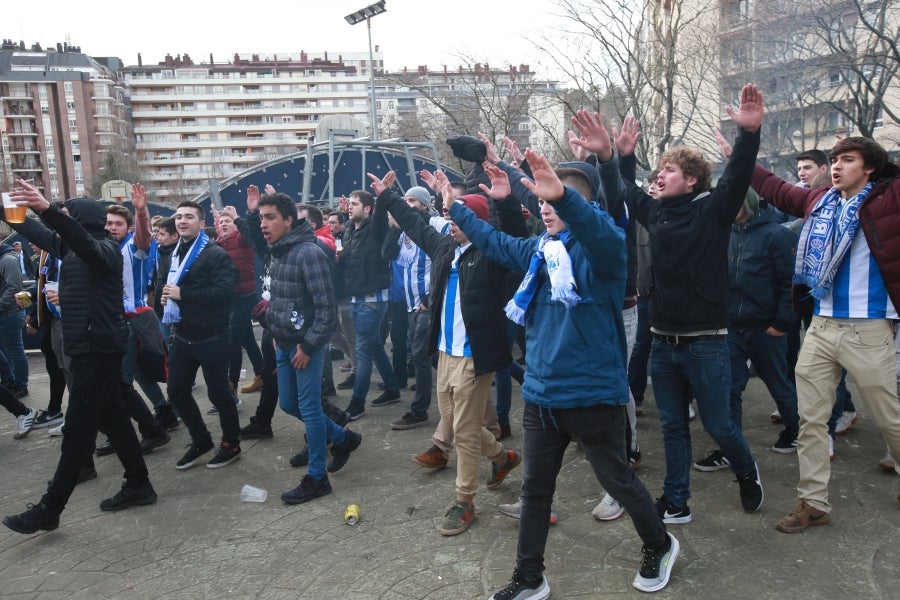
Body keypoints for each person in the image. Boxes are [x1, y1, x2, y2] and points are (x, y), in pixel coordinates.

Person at [450, 150, 678, 597]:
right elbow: (494, 242)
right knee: (536, 491)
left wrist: (565, 197)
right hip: (541, 397)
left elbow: (598, 231)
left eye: (558, 198)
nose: (546, 206)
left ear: (583, 205)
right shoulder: (542, 250)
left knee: (619, 482)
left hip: (592, 395)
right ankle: (529, 577)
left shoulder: (606, 251)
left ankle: (660, 542)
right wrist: (454, 207)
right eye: (543, 198)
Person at [596, 84, 766, 523]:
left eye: (668, 171)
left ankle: (747, 472)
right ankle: (676, 500)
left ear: (691, 179)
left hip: (705, 342)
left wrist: (748, 135)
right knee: (672, 426)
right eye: (658, 171)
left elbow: (737, 177)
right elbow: (622, 196)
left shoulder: (713, 209)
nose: (659, 177)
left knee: (719, 424)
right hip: (663, 342)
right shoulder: (655, 212)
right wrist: (617, 156)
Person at [750, 136, 900, 531]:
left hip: (867, 328)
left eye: (847, 160)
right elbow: (773, 188)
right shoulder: (820, 202)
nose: (835, 166)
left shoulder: (888, 201)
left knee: (889, 420)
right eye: (833, 160)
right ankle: (812, 502)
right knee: (811, 421)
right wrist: (745, 146)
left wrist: (883, 160)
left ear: (870, 168)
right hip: (820, 326)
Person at [371, 169, 523, 538]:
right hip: (444, 353)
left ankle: (464, 501)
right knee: (457, 424)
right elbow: (414, 222)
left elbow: (514, 236)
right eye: (451, 217)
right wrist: (387, 196)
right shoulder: (444, 248)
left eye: (458, 217)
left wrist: (505, 201)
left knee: (466, 434)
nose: (451, 224)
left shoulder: (492, 255)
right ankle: (504, 459)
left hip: (476, 357)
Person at [3, 184, 157, 535]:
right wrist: (10, 210)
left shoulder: (104, 249)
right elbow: (36, 230)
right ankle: (139, 484)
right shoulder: (71, 247)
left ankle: (50, 508)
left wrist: (47, 209)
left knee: (77, 430)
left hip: (97, 349)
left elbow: (74, 237)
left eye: (68, 217)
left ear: (83, 221)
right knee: (116, 420)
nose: (62, 225)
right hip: (89, 348)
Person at [257, 192, 361, 504]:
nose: (263, 224)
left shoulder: (309, 253)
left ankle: (317, 477)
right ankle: (343, 438)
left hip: (307, 346)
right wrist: (277, 330)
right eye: (261, 217)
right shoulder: (278, 251)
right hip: (285, 342)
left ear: (289, 220)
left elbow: (327, 312)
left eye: (270, 217)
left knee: (311, 408)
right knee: (289, 404)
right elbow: (280, 299)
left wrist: (308, 346)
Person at [162, 201, 241, 470]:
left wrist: (183, 295)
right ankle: (201, 440)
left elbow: (225, 294)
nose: (182, 221)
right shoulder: (174, 252)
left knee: (219, 394)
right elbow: (167, 285)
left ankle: (231, 443)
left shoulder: (214, 253)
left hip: (211, 336)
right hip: (182, 335)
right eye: (179, 217)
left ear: (201, 221)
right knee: (176, 391)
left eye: (188, 217)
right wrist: (164, 299)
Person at [340, 189, 399, 420]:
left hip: (372, 300)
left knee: (363, 350)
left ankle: (357, 403)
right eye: (349, 203)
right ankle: (392, 388)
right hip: (355, 297)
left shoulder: (375, 229)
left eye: (355, 204)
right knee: (373, 345)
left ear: (368, 209)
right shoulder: (349, 230)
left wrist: (382, 196)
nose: (349, 206)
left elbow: (380, 221)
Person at [213, 206, 264, 395]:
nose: (224, 224)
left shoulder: (241, 239)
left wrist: (237, 218)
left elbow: (249, 232)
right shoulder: (218, 243)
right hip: (229, 297)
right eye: (221, 222)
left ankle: (231, 385)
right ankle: (262, 374)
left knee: (233, 340)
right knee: (247, 338)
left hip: (244, 295)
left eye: (227, 221)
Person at [0, 240, 29, 397]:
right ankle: (9, 380)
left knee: (15, 351)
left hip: (10, 314)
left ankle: (20, 385)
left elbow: (14, 288)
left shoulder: (7, 260)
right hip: (6, 313)